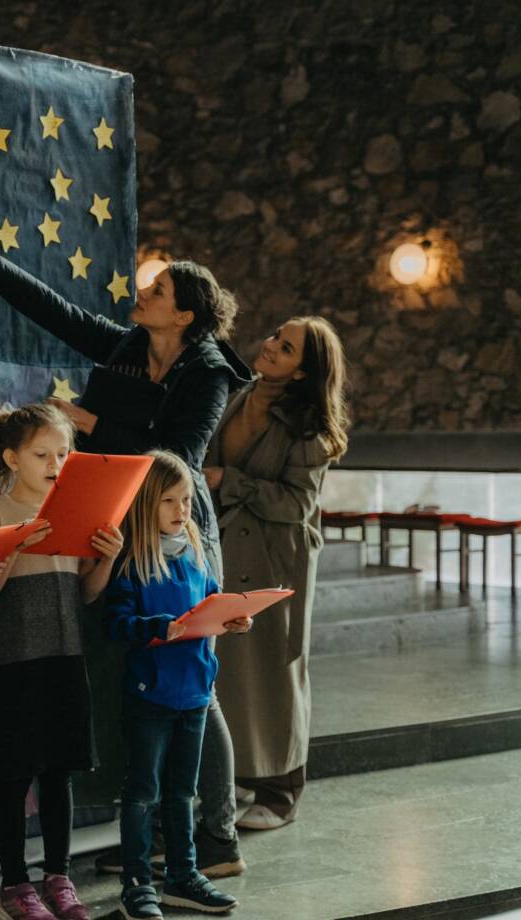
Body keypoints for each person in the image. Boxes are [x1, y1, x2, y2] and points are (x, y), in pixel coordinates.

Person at [0, 227, 251, 878]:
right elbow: (60, 314)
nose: (144, 292)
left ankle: (217, 836)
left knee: (194, 680)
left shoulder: (210, 371)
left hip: (175, 528)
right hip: (120, 525)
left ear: (184, 315)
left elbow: (179, 458)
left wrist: (93, 425)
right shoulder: (132, 346)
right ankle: (159, 835)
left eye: (158, 290)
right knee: (141, 670)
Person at [0, 403, 123, 920]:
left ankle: (59, 877)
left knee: (59, 774)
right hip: (13, 663)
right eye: (42, 454)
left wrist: (107, 557)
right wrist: (8, 554)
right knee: (14, 777)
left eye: (63, 453)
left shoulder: (77, 509)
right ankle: (14, 885)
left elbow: (87, 592)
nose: (55, 463)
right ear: (12, 458)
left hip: (65, 657)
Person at [202, 317, 349, 831]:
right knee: (236, 671)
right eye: (274, 337)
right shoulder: (242, 393)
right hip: (233, 547)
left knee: (276, 671)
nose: (270, 347)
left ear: (303, 370)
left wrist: (230, 481)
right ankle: (246, 772)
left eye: (285, 348)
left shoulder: (309, 427)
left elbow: (297, 503)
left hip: (275, 557)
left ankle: (283, 790)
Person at [102, 451, 249, 920]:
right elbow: (117, 623)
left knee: (183, 793)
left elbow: (211, 604)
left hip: (195, 693)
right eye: (169, 500)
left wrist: (233, 617)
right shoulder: (132, 563)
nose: (181, 509)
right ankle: (137, 883)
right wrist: (158, 627)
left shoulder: (195, 555)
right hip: (151, 696)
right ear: (145, 504)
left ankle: (183, 876)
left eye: (186, 500)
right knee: (142, 793)